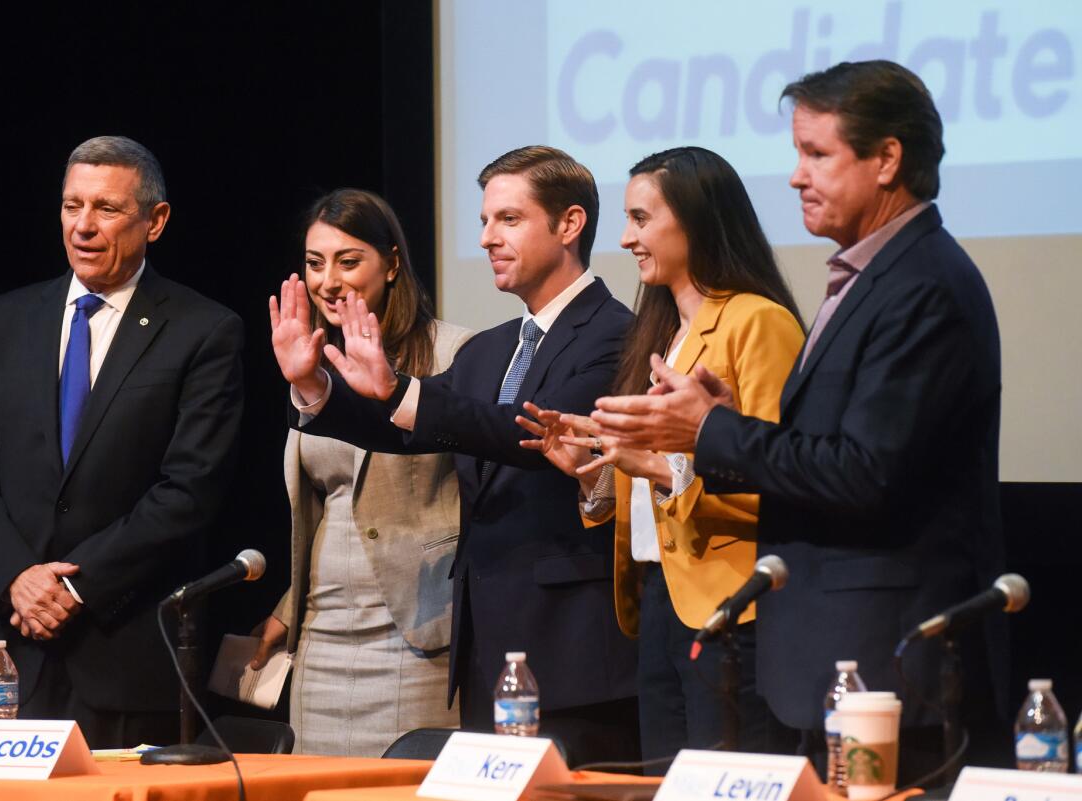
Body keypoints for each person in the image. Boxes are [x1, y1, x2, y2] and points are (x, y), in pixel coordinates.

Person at [588, 61, 1005, 783]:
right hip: (840, 658)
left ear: (887, 160)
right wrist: (711, 423)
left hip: (889, 660)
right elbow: (821, 450)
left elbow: (865, 470)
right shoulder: (876, 277)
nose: (794, 177)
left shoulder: (923, 285)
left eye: (817, 154)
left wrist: (710, 431)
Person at [271, 146, 639, 765]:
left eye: (508, 220)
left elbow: (529, 433)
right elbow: (406, 430)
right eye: (484, 221)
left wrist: (396, 388)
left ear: (570, 225)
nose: (487, 238)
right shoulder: (491, 349)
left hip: (574, 648)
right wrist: (314, 388)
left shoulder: (615, 333)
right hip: (488, 646)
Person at [0, 136, 244, 748]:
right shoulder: (2, 321)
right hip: (10, 652)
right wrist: (16, 577)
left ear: (154, 221)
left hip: (124, 653)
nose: (83, 225)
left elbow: (187, 491)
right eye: (71, 205)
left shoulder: (204, 331)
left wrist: (75, 586)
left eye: (106, 208)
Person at [515, 147, 804, 767]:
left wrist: (650, 464)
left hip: (735, 611)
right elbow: (652, 479)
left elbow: (784, 479)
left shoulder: (758, 322)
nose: (624, 238)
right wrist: (593, 465)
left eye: (641, 220)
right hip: (660, 602)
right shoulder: (663, 330)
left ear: (696, 221)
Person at [251, 189, 470, 756]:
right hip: (324, 637)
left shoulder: (453, 352)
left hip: (417, 631)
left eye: (349, 261)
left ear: (392, 263)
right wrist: (287, 608)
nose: (329, 280)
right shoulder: (311, 362)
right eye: (314, 263)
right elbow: (322, 508)